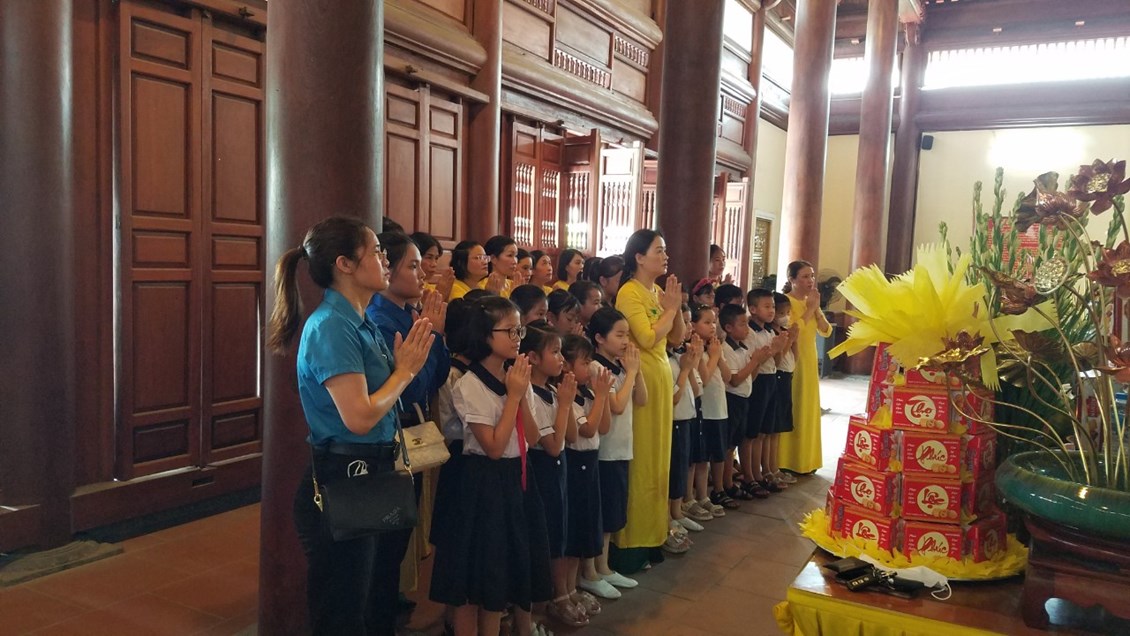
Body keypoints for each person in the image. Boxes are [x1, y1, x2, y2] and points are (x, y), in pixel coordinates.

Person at [267, 217, 435, 636]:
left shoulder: (360, 321)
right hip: (346, 476)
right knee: (343, 610)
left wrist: (404, 370)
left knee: (377, 595)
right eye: (376, 252)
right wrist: (404, 373)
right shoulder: (330, 326)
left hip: (375, 472)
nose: (385, 260)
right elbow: (358, 417)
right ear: (344, 264)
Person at [428, 296, 552, 636]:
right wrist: (514, 396)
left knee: (502, 573)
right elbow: (494, 447)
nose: (517, 338)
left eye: (519, 330)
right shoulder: (469, 385)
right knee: (476, 576)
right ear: (485, 335)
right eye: (509, 331)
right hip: (481, 483)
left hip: (516, 479)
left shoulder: (515, 377)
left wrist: (519, 393)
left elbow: (533, 438)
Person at [612, 229, 684, 573]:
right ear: (639, 257)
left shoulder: (656, 292)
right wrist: (669, 311)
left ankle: (654, 537)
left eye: (665, 250)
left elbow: (678, 337)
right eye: (659, 250)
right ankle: (631, 545)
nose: (665, 256)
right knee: (641, 461)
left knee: (659, 459)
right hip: (641, 381)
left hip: (661, 379)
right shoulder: (629, 293)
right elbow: (646, 336)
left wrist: (675, 308)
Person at [520, 322, 589, 627]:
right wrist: (564, 405)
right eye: (555, 352)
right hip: (542, 473)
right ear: (533, 358)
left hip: (559, 472)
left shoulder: (551, 390)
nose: (561, 359)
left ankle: (561, 594)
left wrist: (565, 402)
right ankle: (543, 603)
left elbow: (571, 436)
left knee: (559, 534)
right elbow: (551, 445)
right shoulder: (530, 395)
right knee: (544, 538)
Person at [578, 307, 644, 600]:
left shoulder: (620, 366)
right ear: (599, 338)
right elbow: (616, 405)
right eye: (619, 335)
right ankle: (590, 572)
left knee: (613, 510)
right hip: (603, 450)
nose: (625, 341)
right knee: (601, 512)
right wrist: (630, 373)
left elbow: (642, 398)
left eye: (627, 335)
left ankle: (604, 567)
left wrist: (636, 371)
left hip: (620, 448)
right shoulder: (595, 367)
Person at [560, 335, 614, 617]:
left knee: (585, 527)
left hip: (590, 463)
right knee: (574, 532)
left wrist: (600, 395)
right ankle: (566, 591)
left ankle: (573, 588)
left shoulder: (587, 393)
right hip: (575, 464)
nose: (590, 366)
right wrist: (602, 396)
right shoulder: (566, 396)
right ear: (566, 366)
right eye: (585, 362)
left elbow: (603, 427)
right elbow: (587, 430)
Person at [779, 260, 832, 475]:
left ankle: (806, 460)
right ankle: (786, 460)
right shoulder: (786, 302)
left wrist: (816, 309)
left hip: (809, 361)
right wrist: (810, 308)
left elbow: (826, 331)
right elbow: (792, 330)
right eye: (805, 276)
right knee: (793, 406)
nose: (810, 280)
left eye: (812, 276)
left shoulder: (811, 302)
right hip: (792, 359)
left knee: (808, 409)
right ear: (792, 279)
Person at [687, 304, 734, 513]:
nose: (713, 326)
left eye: (714, 322)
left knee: (716, 453)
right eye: (707, 322)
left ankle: (708, 494)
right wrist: (714, 356)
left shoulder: (714, 347)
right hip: (704, 411)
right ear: (693, 325)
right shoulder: (695, 350)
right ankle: (695, 497)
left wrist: (718, 355)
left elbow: (728, 376)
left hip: (719, 409)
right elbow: (704, 380)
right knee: (700, 458)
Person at [743, 288, 788, 494]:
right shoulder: (750, 333)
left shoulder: (770, 332)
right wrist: (772, 351)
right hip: (757, 381)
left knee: (764, 432)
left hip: (771, 379)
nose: (772, 311)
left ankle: (764, 472)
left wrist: (780, 348)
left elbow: (776, 363)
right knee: (752, 433)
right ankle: (750, 476)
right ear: (753, 309)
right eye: (767, 306)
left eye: (773, 307)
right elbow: (755, 361)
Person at [666, 321, 705, 549]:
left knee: (682, 467)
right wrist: (686, 369)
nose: (687, 328)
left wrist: (691, 365)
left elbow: (697, 390)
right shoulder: (664, 359)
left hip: (686, 418)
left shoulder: (680, 355)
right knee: (672, 471)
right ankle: (668, 516)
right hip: (673, 421)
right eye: (682, 324)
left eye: (688, 323)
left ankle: (677, 511)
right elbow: (674, 397)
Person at [770, 293, 800, 487]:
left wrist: (794, 340)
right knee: (771, 429)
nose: (785, 317)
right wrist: (789, 340)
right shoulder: (773, 334)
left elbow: (794, 358)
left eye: (788, 312)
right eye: (781, 313)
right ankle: (770, 469)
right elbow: (778, 359)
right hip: (776, 377)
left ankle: (774, 468)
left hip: (786, 376)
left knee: (779, 428)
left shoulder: (785, 331)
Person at [411, 231, 455, 300]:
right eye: (429, 257)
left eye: (436, 258)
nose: (434, 264)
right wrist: (440, 294)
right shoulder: (407, 289)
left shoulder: (430, 287)